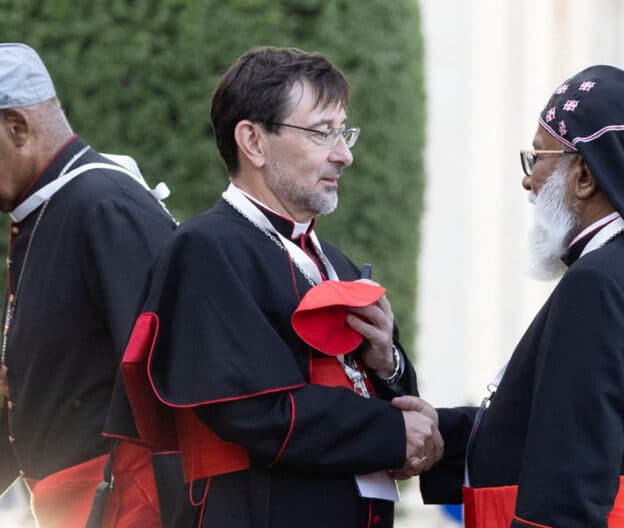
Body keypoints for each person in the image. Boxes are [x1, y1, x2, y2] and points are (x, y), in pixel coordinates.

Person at [397, 65, 624, 527]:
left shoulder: (600, 284)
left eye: (538, 156)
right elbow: (595, 431)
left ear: (584, 176)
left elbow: (567, 490)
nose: (528, 181)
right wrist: (442, 432)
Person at [119, 46, 442, 528]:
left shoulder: (335, 262)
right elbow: (254, 411)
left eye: (344, 131)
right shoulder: (204, 249)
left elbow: (382, 394)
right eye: (322, 133)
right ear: (252, 140)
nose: (345, 154)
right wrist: (394, 432)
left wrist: (390, 365)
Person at [0, 43, 185, 526]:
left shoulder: (106, 204)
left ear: (16, 127)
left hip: (125, 502)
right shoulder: (43, 209)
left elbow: (171, 371)